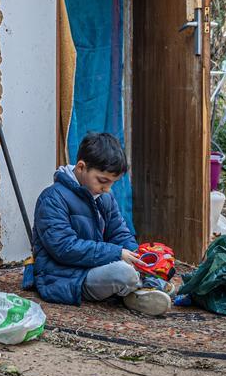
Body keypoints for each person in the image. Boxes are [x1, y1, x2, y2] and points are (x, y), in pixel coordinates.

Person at [22, 133, 172, 316]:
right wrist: (117, 253)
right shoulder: (52, 198)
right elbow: (64, 248)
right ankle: (142, 289)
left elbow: (120, 234)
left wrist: (139, 258)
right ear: (81, 167)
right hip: (66, 277)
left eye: (112, 183)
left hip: (96, 266)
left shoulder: (104, 197)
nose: (108, 189)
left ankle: (140, 290)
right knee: (123, 273)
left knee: (139, 266)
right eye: (103, 181)